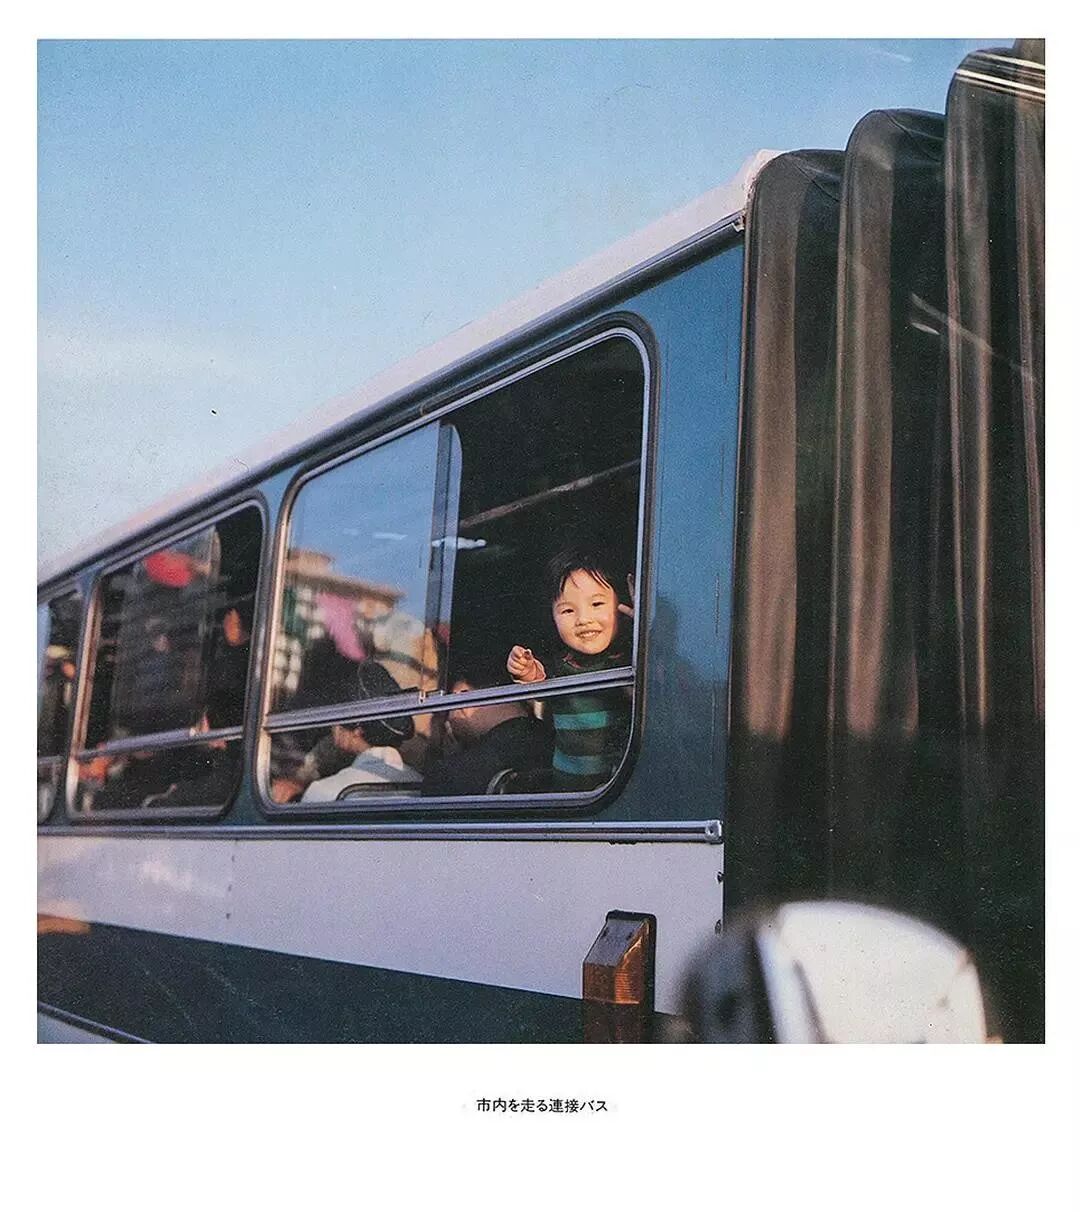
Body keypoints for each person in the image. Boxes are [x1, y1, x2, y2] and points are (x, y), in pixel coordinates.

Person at [506, 547, 634, 791]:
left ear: (621, 604)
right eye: (567, 610)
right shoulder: (560, 665)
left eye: (597, 603)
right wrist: (525, 670)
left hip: (615, 791)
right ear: (552, 617)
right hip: (567, 792)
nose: (583, 619)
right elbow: (539, 684)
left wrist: (648, 626)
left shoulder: (630, 660)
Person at [424, 662, 553, 797]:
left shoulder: (450, 774)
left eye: (447, 711)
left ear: (461, 696)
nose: (448, 720)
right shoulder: (555, 743)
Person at [301, 661, 422, 802]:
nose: (333, 727)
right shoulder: (421, 786)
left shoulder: (324, 792)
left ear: (357, 731)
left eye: (337, 717)